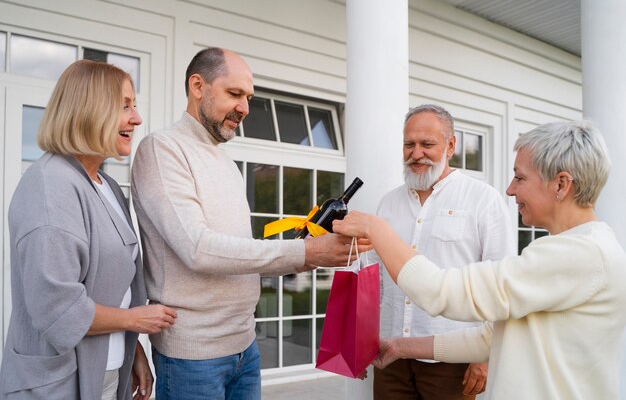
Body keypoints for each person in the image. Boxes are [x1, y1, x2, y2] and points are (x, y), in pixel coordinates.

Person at [130, 47, 369, 400]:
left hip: (245, 345)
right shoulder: (162, 149)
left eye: (249, 98)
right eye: (234, 94)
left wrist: (306, 250)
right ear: (198, 86)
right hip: (193, 356)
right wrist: (303, 251)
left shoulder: (225, 162)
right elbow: (198, 249)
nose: (245, 107)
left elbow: (237, 255)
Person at [333, 120, 626, 400]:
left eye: (520, 177)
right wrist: (400, 346)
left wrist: (376, 229)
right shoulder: (575, 248)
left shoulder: (582, 254)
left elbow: (441, 292)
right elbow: (491, 336)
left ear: (561, 185)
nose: (511, 189)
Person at [0, 60, 177, 400]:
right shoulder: (49, 188)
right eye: (124, 106)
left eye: (134, 106)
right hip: (58, 382)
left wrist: (133, 349)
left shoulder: (108, 186)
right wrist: (134, 321)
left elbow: (114, 288)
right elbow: (58, 309)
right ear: (88, 110)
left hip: (110, 370)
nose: (136, 118)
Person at [368, 104, 514, 400]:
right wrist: (360, 343)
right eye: (409, 144)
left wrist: (486, 355)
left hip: (452, 361)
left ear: (451, 145)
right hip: (390, 355)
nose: (416, 153)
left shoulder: (484, 199)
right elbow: (374, 281)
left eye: (427, 144)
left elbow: (500, 283)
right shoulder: (387, 204)